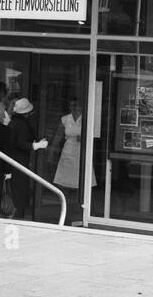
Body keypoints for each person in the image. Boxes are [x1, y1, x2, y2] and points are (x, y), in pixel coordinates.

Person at [50, 94, 95, 222]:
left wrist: (85, 137)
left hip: (82, 151)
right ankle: (65, 207)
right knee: (65, 181)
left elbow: (93, 133)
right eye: (72, 105)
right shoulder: (65, 119)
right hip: (68, 150)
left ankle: (81, 206)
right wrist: (52, 151)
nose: (74, 107)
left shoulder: (85, 118)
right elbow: (58, 136)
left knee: (82, 180)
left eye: (76, 105)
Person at [7, 97, 47, 220]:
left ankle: (15, 214)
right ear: (26, 113)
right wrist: (36, 145)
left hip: (12, 160)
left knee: (16, 190)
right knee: (20, 190)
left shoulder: (13, 122)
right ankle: (18, 216)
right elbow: (21, 143)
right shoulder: (22, 124)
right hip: (19, 161)